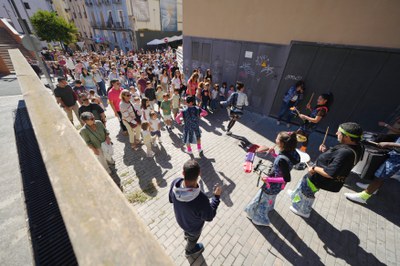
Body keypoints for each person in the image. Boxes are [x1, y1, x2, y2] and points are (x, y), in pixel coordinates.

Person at [289, 122, 364, 218]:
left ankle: (303, 210)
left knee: (307, 192)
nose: (336, 133)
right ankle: (295, 195)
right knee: (303, 184)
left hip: (318, 178)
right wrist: (326, 151)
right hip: (316, 174)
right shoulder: (357, 146)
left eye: (339, 132)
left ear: (347, 137)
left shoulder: (346, 153)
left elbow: (329, 173)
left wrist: (313, 168)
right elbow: (338, 161)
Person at [245, 131, 300, 226]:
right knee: (269, 198)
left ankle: (258, 218)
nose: (275, 140)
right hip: (278, 185)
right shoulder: (292, 151)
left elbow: (286, 178)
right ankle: (268, 207)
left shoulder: (282, 158)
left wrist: (268, 179)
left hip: (273, 184)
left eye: (277, 139)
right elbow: (284, 164)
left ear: (282, 143)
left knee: (262, 199)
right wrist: (274, 155)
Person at [169, 160, 222, 257]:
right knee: (192, 239)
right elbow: (209, 216)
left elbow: (171, 200)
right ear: (199, 174)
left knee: (187, 233)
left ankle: (187, 236)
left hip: (181, 220)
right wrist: (216, 197)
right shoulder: (201, 199)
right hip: (194, 228)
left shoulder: (175, 182)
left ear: (183, 173)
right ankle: (189, 250)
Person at [345, 137, 400, 204]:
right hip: (395, 152)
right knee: (381, 173)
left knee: (381, 175)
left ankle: (363, 197)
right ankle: (374, 189)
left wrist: (389, 144)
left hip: (398, 157)